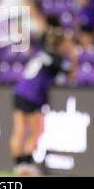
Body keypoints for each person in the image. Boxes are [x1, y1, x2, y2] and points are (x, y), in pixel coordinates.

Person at [10, 17, 77, 176]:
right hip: (33, 95)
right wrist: (73, 54)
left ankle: (18, 166)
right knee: (38, 130)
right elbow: (72, 75)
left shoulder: (43, 50)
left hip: (20, 90)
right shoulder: (58, 60)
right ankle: (25, 165)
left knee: (19, 130)